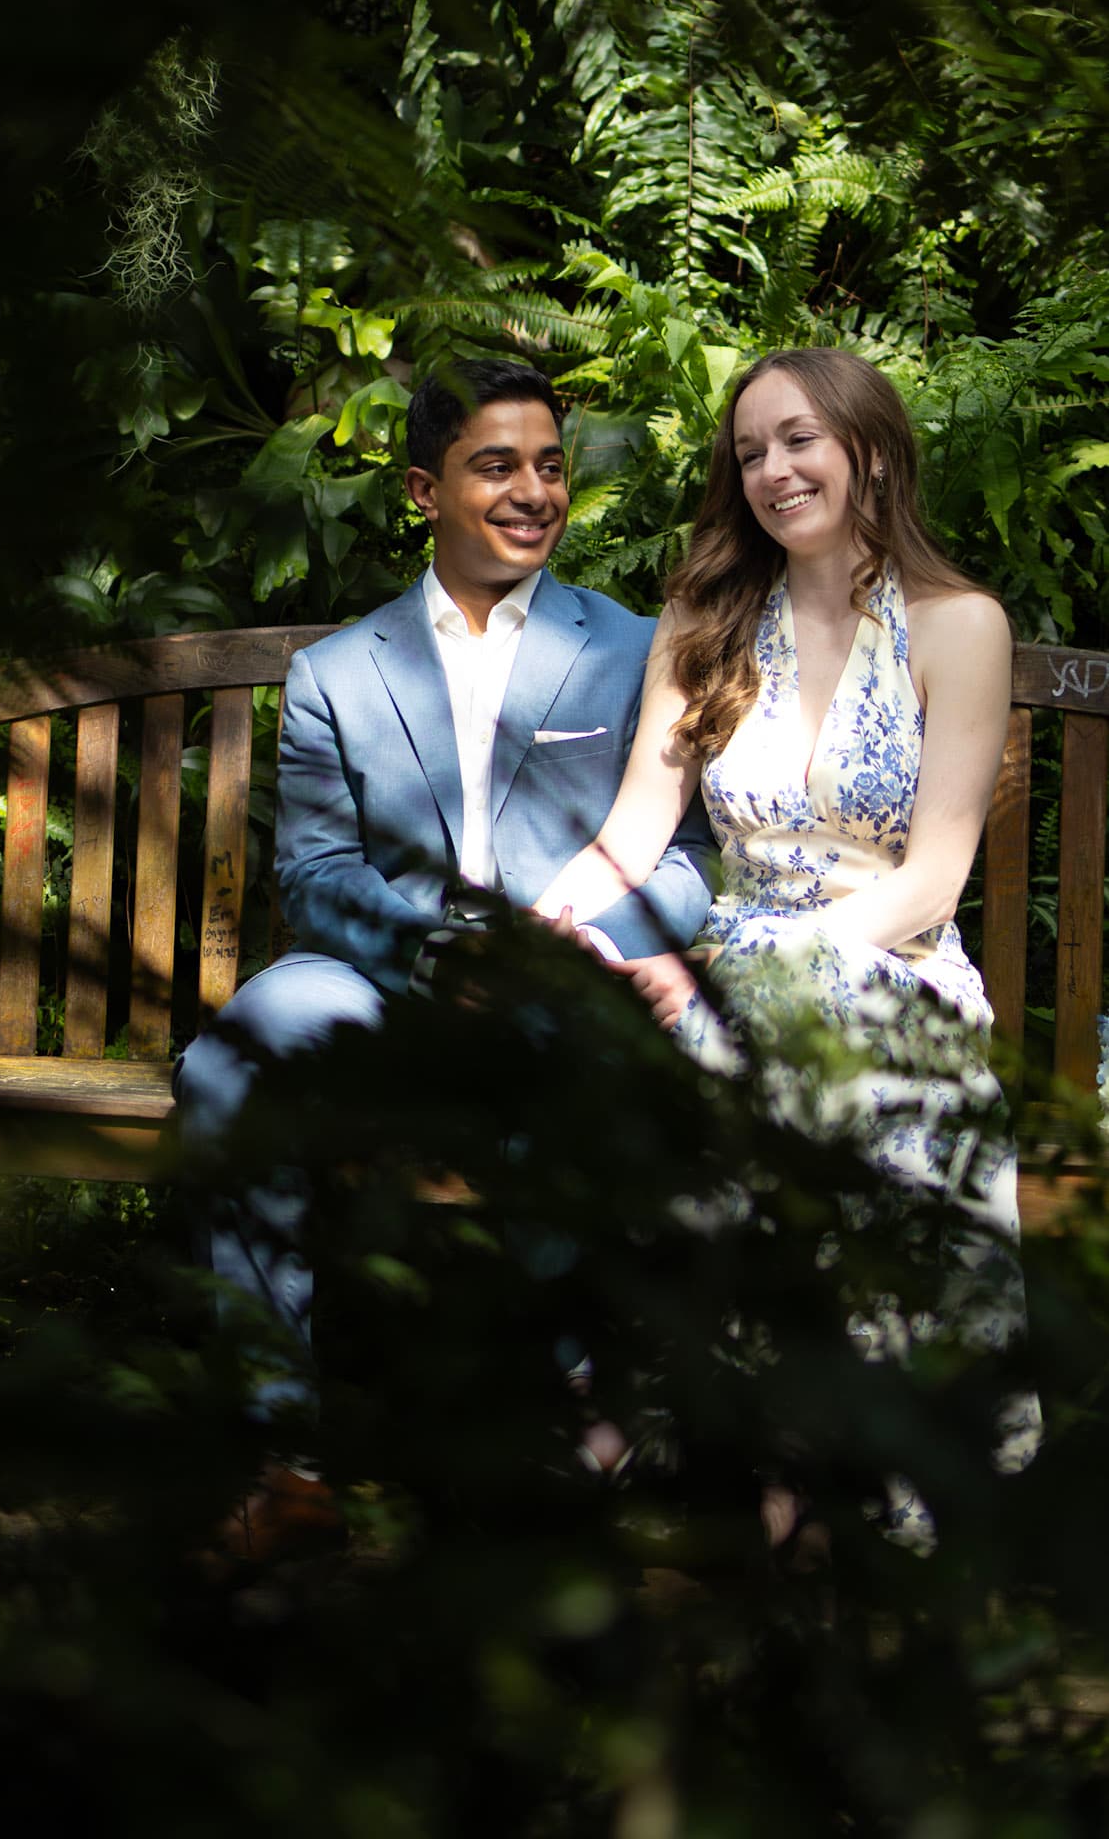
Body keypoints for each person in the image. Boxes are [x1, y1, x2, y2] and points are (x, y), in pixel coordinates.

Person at [534, 346, 1038, 1532]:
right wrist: (544, 920)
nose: (773, 469)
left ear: (869, 448)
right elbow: (633, 827)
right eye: (750, 450)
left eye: (799, 439)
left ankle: (702, 1434)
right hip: (740, 965)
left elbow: (933, 878)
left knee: (817, 1052)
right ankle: (782, 1467)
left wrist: (775, 963)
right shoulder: (704, 618)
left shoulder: (959, 624)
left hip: (893, 963)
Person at [174, 358, 717, 1411]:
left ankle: (575, 1407)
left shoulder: (634, 648)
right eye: (497, 465)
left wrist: (584, 949)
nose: (534, 492)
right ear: (425, 490)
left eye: (551, 467)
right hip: (383, 972)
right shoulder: (338, 669)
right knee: (230, 1063)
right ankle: (273, 1442)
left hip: (569, 969)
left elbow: (687, 858)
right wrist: (436, 954)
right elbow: (318, 873)